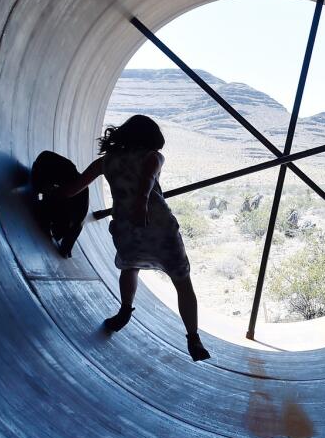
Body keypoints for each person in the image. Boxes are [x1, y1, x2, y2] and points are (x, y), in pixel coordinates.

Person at [56, 115, 210, 361]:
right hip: (159, 227)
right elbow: (148, 179)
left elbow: (73, 188)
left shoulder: (106, 162)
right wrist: (142, 203)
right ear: (151, 137)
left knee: (129, 268)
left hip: (127, 228)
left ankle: (124, 311)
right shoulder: (154, 157)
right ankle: (193, 338)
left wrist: (48, 192)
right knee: (182, 281)